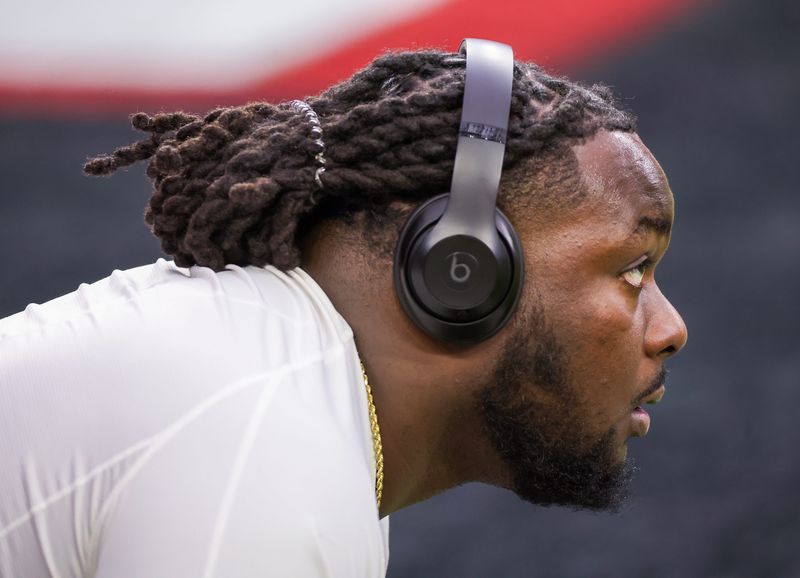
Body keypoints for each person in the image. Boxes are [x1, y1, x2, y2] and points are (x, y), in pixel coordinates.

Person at [0, 41, 687, 577]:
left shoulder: (283, 390)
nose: (671, 330)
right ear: (464, 269)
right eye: (633, 270)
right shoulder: (266, 462)